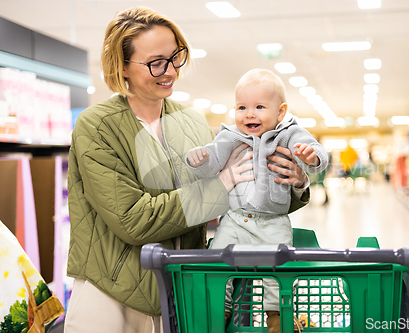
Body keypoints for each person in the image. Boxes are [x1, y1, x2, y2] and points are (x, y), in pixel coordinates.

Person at [64, 7, 310, 333]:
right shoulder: (97, 126)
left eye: (176, 56)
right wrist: (221, 185)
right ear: (122, 66)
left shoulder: (192, 122)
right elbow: (132, 219)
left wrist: (294, 182)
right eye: (156, 62)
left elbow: (247, 196)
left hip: (182, 290)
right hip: (111, 294)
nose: (170, 70)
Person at [185, 68, 328, 333]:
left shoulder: (289, 134)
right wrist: (199, 160)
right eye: (241, 107)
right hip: (235, 219)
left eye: (260, 106)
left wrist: (311, 157)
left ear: (281, 112)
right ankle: (221, 307)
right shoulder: (229, 137)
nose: (249, 114)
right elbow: (212, 161)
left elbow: (318, 156)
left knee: (279, 269)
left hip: (273, 222)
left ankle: (277, 314)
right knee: (218, 260)